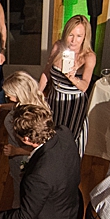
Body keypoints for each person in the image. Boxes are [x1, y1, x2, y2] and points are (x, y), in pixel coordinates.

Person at [0, 70, 52, 219]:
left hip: (23, 160)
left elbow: (38, 147)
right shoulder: (34, 105)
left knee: (21, 191)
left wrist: (16, 151)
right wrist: (1, 107)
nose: (6, 97)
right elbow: (16, 105)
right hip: (17, 155)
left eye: (8, 95)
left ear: (19, 94)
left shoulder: (26, 120)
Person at [39, 15, 97, 155]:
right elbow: (46, 73)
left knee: (69, 144)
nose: (73, 40)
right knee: (50, 139)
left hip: (73, 106)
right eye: (71, 34)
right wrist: (37, 95)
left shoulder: (88, 57)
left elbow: (84, 86)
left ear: (85, 37)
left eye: (78, 36)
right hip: (54, 101)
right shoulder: (58, 47)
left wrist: (72, 78)